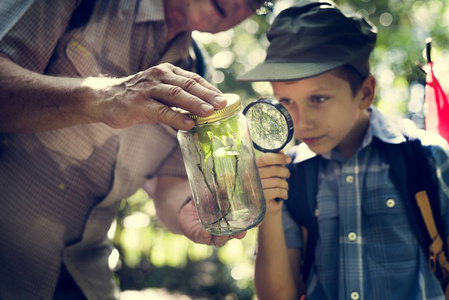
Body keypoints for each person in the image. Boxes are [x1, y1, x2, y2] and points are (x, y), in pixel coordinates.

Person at [0, 0, 273, 299]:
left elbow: (169, 183)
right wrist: (104, 98)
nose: (239, 3)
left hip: (84, 276)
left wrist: (193, 207)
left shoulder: (196, 74)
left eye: (256, 2)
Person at [242, 1, 449, 299]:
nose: (301, 123)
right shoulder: (289, 177)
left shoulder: (425, 157)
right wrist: (269, 211)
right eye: (286, 101)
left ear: (365, 92)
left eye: (318, 99)